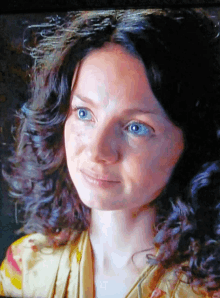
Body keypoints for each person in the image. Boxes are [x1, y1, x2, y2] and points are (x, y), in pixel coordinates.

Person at [1, 8, 220, 298]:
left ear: (193, 142)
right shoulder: (27, 267)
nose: (96, 151)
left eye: (136, 127)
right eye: (83, 113)